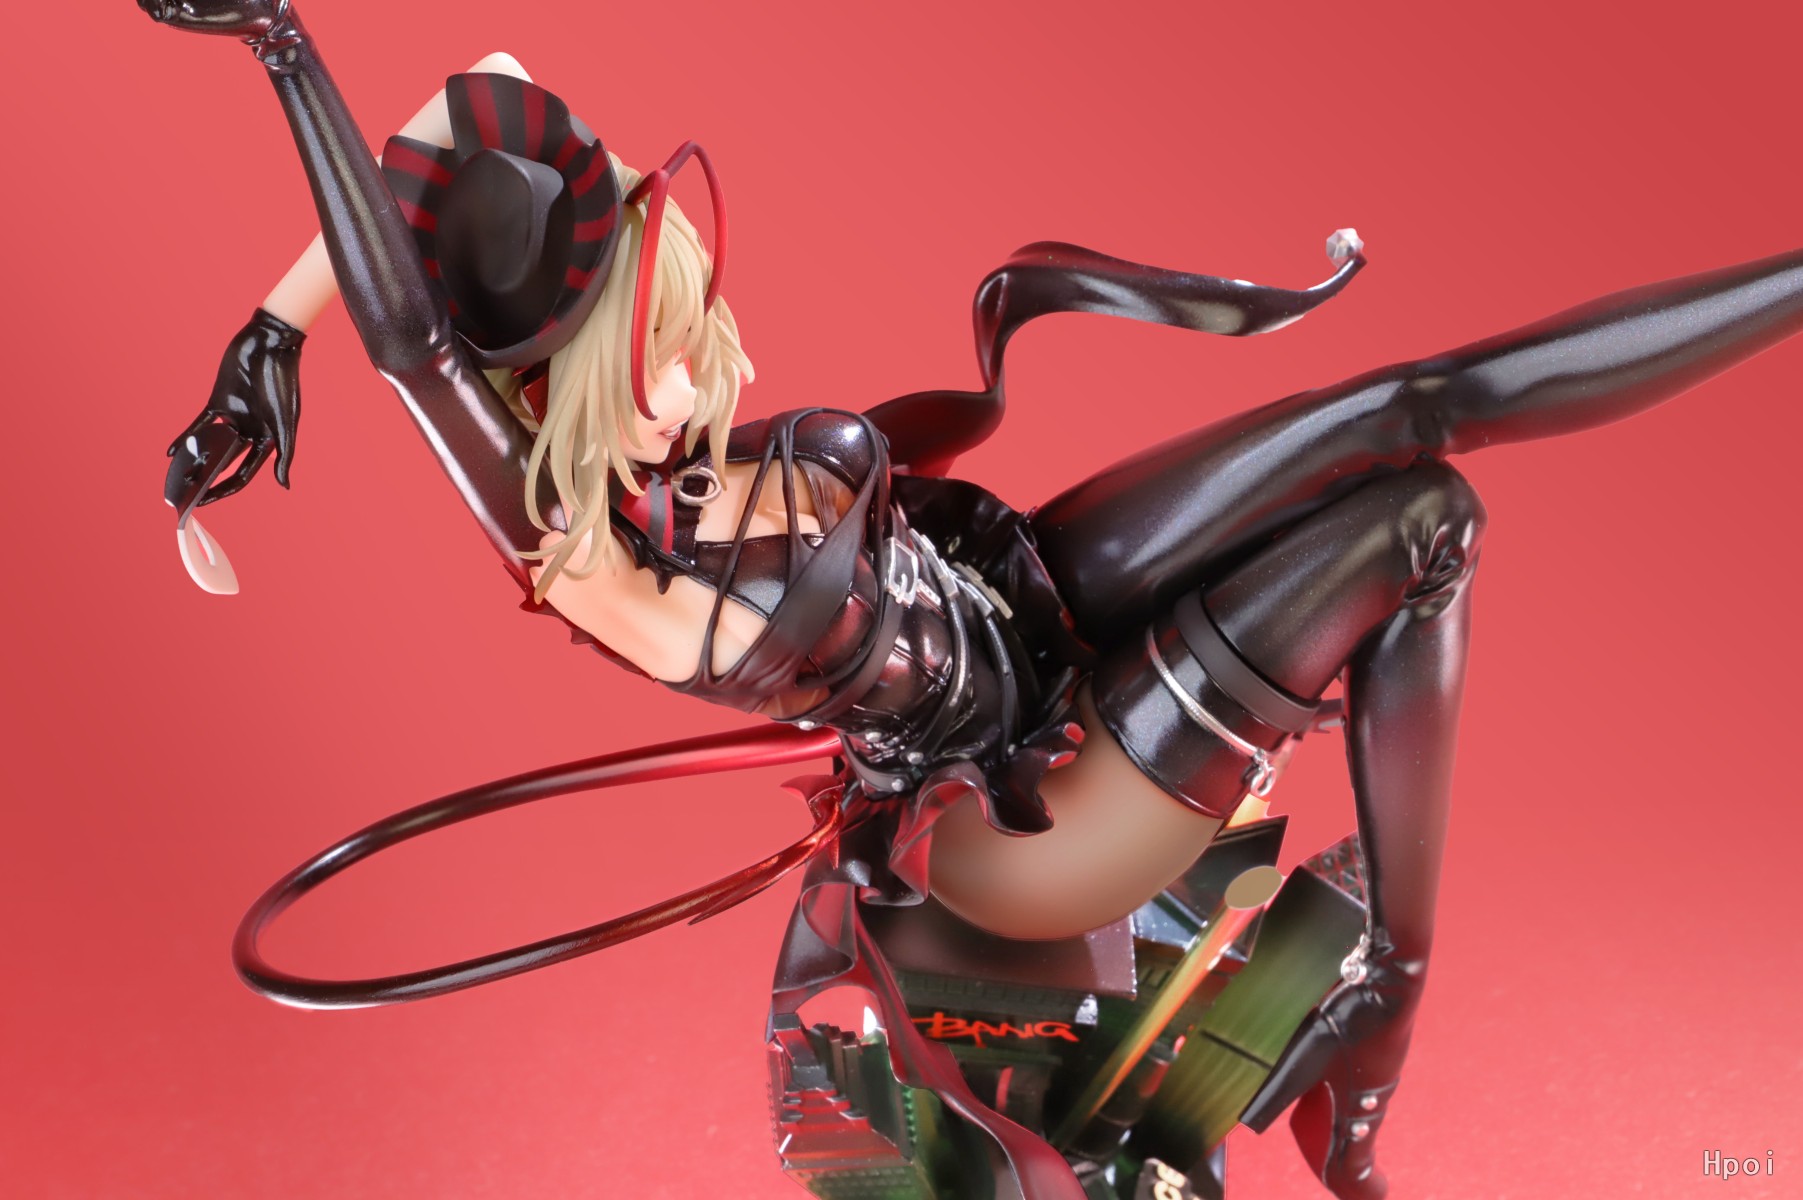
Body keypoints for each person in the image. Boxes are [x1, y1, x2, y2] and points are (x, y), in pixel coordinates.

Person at [137, 3, 1803, 1198]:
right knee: (1426, 519)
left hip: (1012, 596)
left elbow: (485, 96)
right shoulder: (596, 561)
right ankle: (1388, 1003)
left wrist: (265, 330)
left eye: (680, 308)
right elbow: (414, 341)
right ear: (548, 398)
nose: (698, 366)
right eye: (652, 348)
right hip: (1021, 816)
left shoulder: (666, 427)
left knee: (1397, 408)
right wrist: (279, 45)